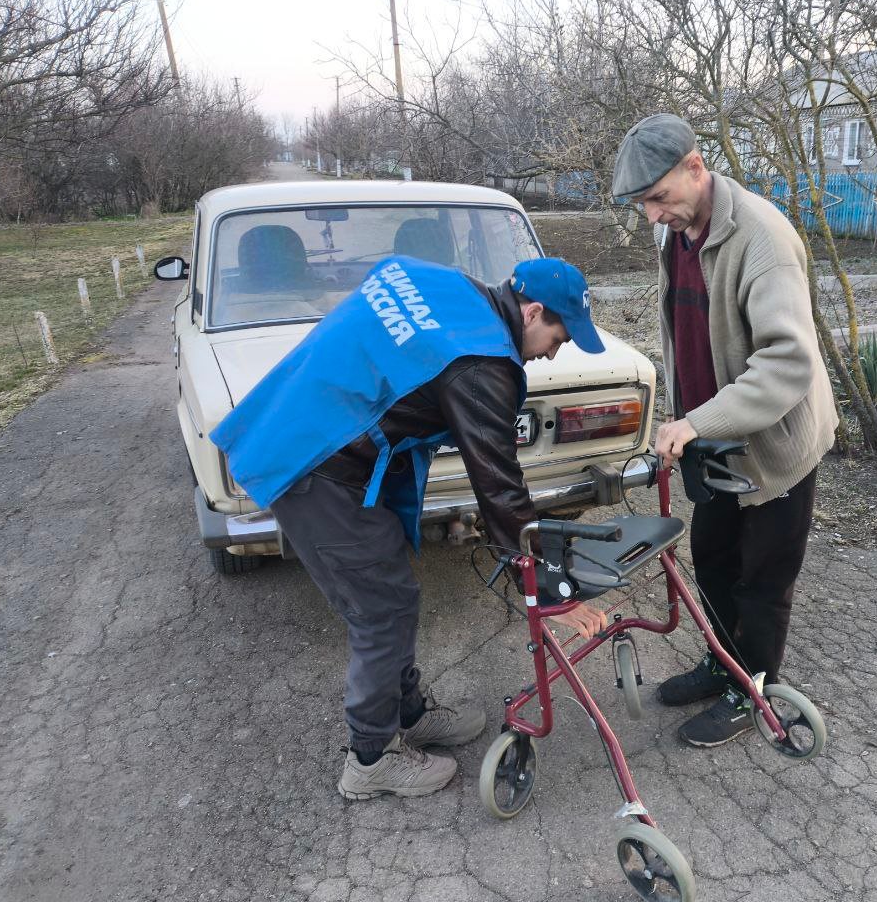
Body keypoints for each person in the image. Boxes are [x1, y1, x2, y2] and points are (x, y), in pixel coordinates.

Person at [210, 255, 610, 800]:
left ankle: (409, 713)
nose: (554, 352)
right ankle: (371, 759)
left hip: (310, 425)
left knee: (393, 590)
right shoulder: (481, 362)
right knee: (380, 608)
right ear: (533, 310)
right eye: (559, 336)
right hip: (316, 462)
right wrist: (544, 583)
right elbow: (499, 487)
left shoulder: (447, 286)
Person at [612, 114, 838, 748]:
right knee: (712, 559)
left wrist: (695, 421)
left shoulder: (761, 237)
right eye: (642, 205)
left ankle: (752, 690)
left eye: (658, 197)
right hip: (711, 439)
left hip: (772, 446)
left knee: (762, 577)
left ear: (695, 166)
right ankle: (722, 662)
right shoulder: (679, 234)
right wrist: (690, 419)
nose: (653, 215)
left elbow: (788, 362)